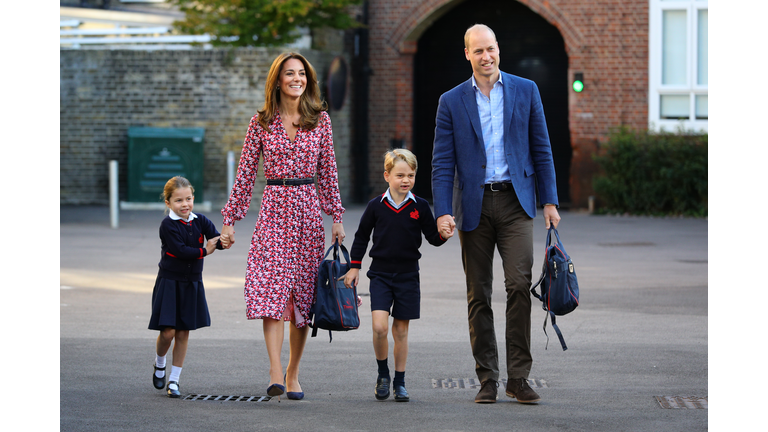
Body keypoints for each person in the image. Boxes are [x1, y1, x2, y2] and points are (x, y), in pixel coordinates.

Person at [431, 24, 561, 404]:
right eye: (478, 51)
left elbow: (543, 148)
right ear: (466, 54)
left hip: (516, 202)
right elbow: (442, 163)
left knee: (519, 286)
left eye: (491, 49)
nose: (486, 57)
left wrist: (549, 201)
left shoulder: (526, 90)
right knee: (478, 294)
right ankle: (487, 377)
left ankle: (518, 377)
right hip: (473, 206)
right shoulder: (451, 101)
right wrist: (442, 212)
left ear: (498, 50)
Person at [219, 52, 346, 401]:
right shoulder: (259, 123)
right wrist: (229, 220)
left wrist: (336, 217)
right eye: (289, 73)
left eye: (301, 74)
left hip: (307, 214)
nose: (296, 79)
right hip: (273, 211)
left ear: (308, 79)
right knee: (271, 290)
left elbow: (328, 173)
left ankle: (293, 371)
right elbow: (245, 176)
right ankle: (275, 369)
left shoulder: (320, 121)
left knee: (303, 298)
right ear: (277, 79)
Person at [344, 148, 453, 402]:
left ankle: (400, 382)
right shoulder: (375, 206)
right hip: (380, 275)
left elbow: (432, 238)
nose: (406, 180)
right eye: (400, 175)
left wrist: (443, 236)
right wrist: (354, 266)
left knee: (401, 332)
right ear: (387, 175)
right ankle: (383, 375)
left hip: (408, 276)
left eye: (411, 176)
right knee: (380, 327)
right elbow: (361, 237)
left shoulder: (421, 206)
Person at [149, 176, 223, 398]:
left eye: (188, 199)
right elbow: (181, 251)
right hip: (169, 282)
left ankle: (174, 381)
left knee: (183, 333)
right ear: (168, 203)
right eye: (179, 200)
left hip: (192, 283)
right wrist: (205, 250)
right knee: (168, 332)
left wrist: (225, 241)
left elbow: (215, 238)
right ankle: (159, 362)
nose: (185, 204)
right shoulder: (167, 225)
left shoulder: (200, 220)